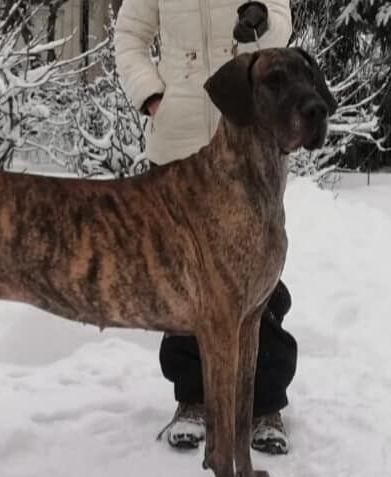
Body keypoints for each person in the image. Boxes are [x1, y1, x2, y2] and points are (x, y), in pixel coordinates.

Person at [114, 0, 297, 454]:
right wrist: (153, 97)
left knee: (255, 276)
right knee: (182, 280)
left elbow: (281, 26)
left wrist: (262, 20)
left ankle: (264, 405)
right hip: (177, 142)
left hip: (247, 144)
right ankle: (193, 398)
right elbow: (129, 38)